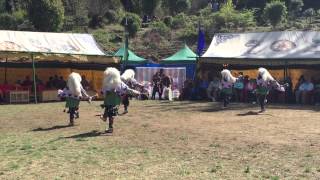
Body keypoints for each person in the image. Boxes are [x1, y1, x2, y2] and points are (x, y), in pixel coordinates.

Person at [100, 68, 140, 134]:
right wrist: (136, 92)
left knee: (109, 112)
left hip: (109, 100)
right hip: (115, 101)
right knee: (111, 113)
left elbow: (103, 92)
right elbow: (127, 89)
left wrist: (106, 92)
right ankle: (108, 124)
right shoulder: (119, 83)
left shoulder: (107, 84)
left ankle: (108, 124)